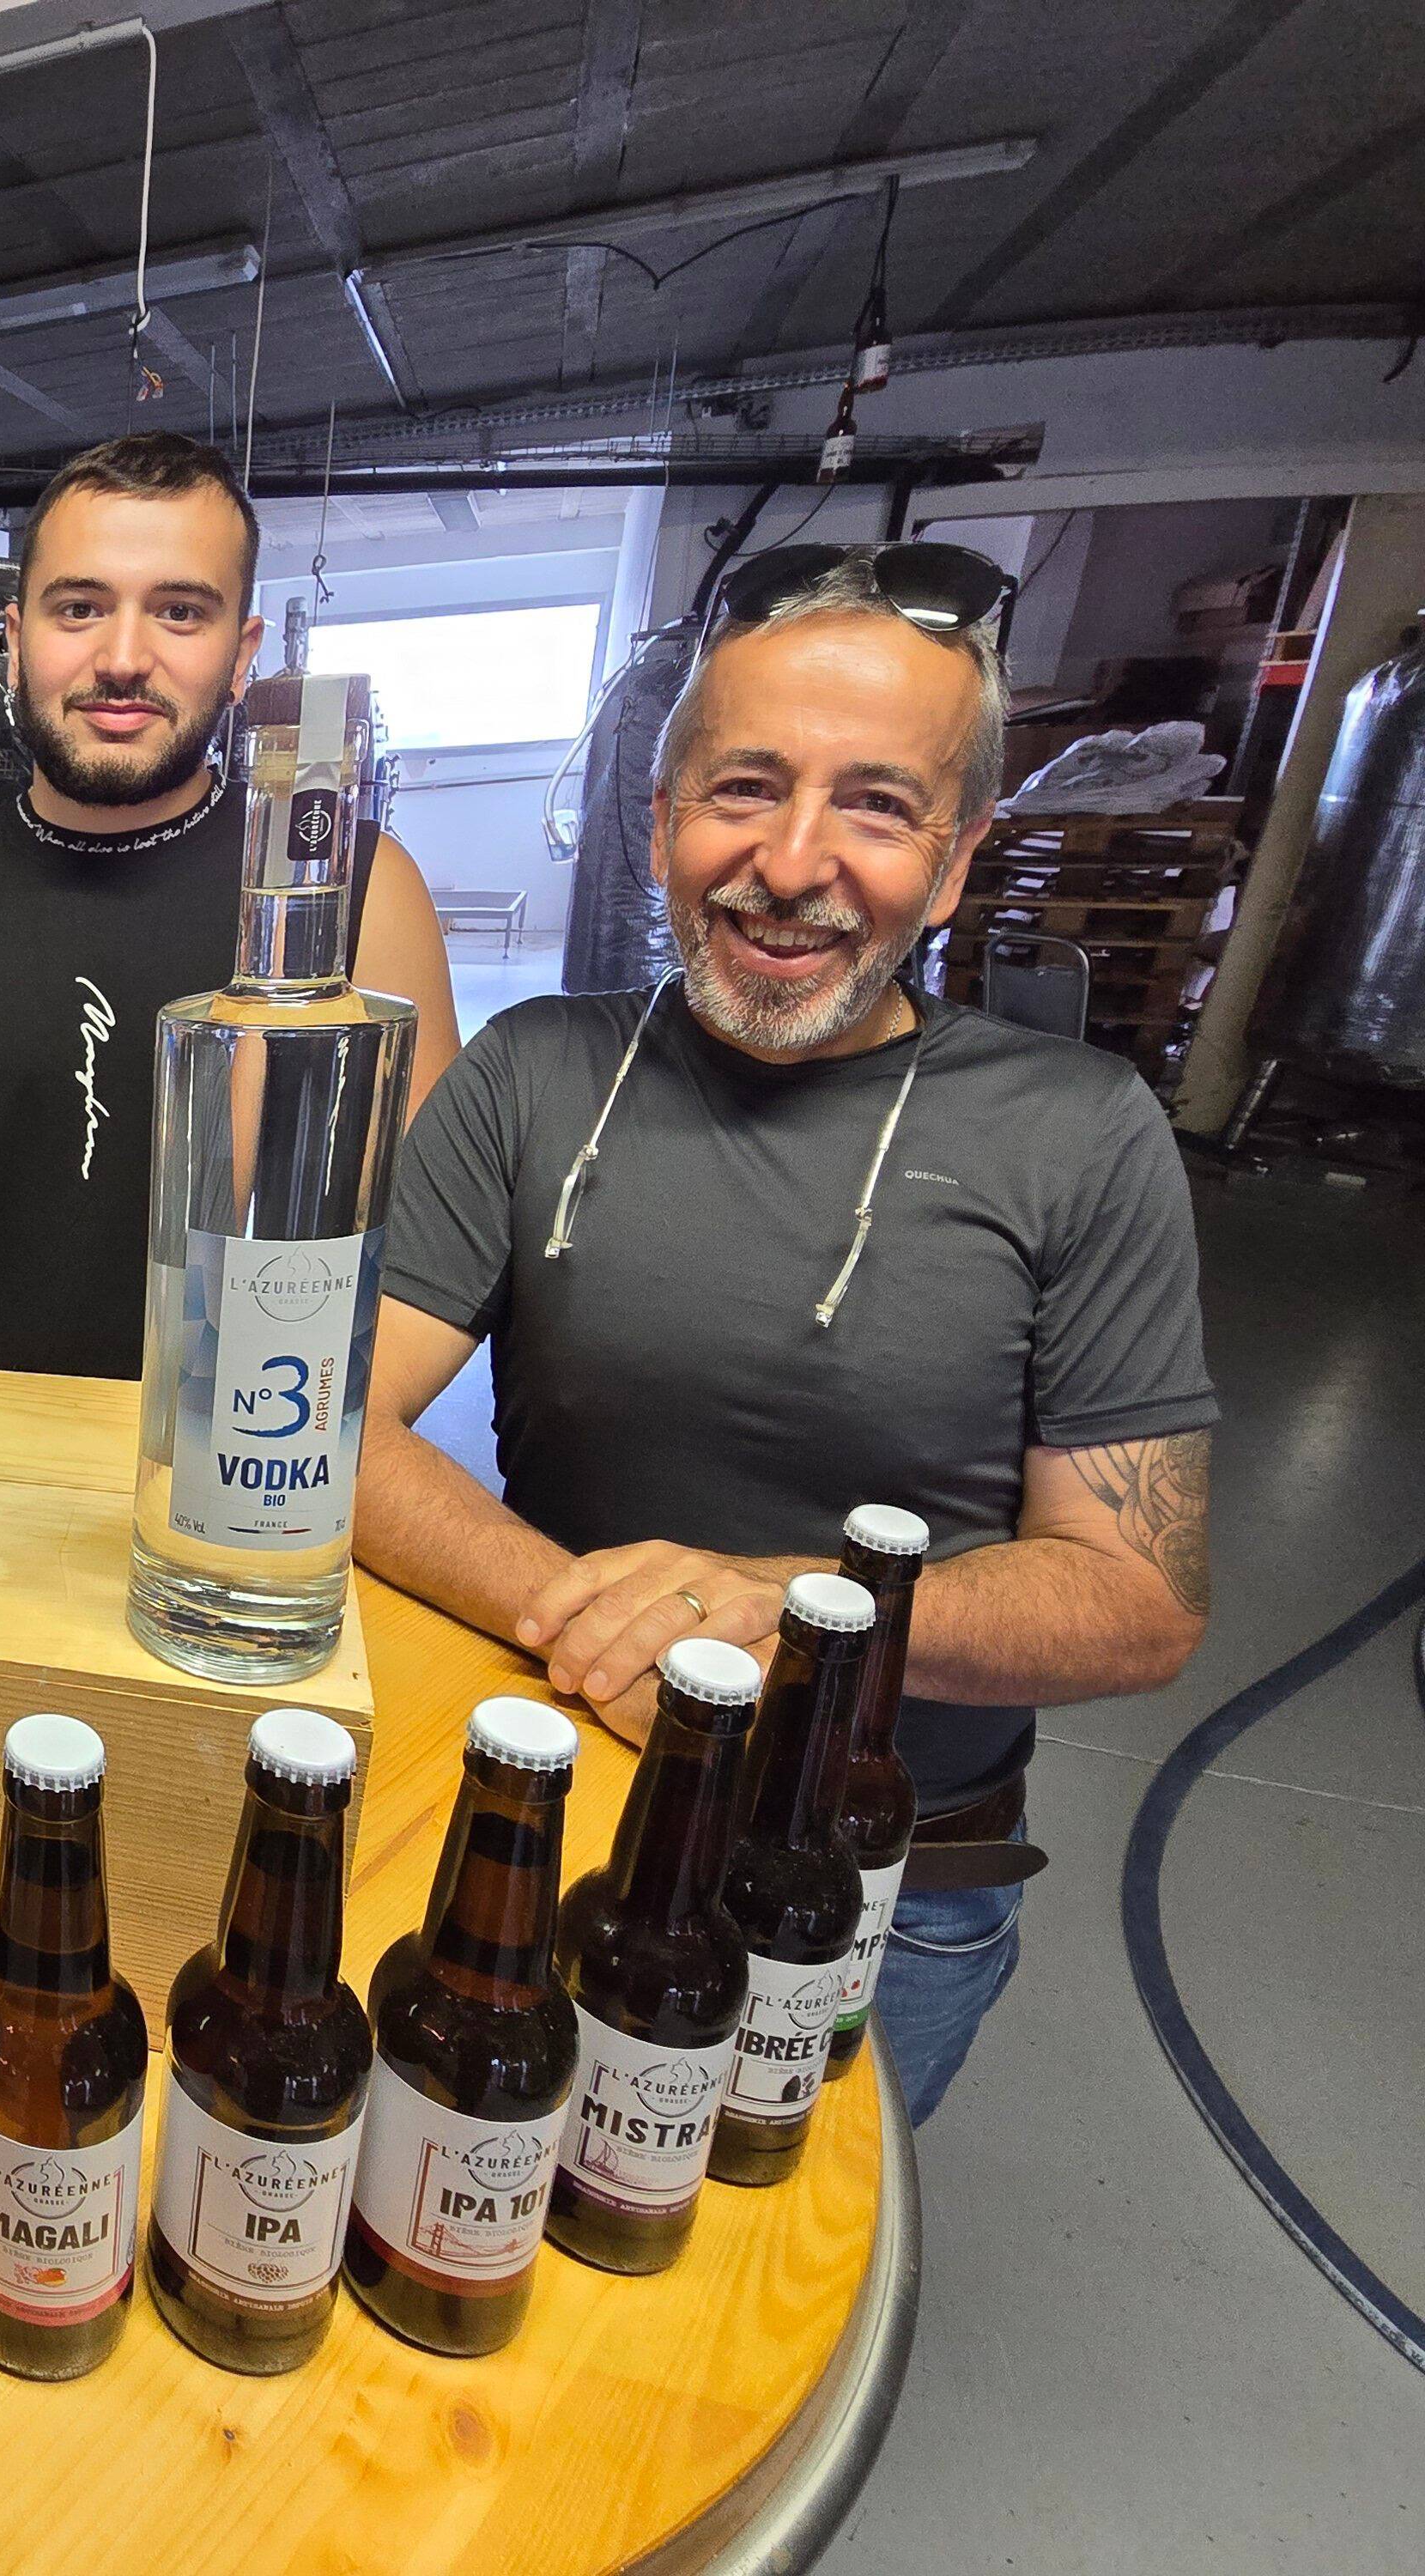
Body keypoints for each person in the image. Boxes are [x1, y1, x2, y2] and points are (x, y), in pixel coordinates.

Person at [355, 540, 1216, 2123]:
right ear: (663, 819)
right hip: (570, 1822)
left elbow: (1136, 1602)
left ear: (955, 863)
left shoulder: (1079, 1134)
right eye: (744, 788)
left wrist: (785, 1607)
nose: (795, 860)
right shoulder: (537, 1076)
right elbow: (329, 1433)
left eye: (877, 805)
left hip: (885, 1893)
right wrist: (617, 1624)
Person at [0, 431, 461, 1376]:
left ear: (242, 655)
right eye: (78, 607)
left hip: (250, 1465)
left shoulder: (356, 891)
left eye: (179, 613)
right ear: (16, 638)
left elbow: (433, 1242)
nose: (123, 657)